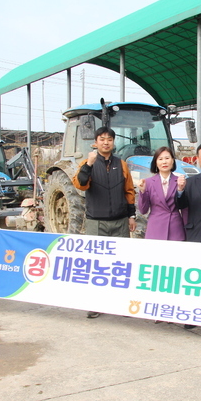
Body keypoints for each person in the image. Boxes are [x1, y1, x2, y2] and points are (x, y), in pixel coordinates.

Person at [73, 126, 136, 318]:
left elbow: (129, 191)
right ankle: (96, 304)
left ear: (113, 142)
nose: (106, 142)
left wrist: (131, 215)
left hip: (119, 221)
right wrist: (89, 165)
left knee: (121, 264)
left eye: (109, 139)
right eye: (102, 139)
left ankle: (121, 303)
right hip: (96, 222)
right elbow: (80, 184)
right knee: (96, 265)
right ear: (95, 142)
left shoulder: (122, 164)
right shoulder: (87, 163)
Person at [138, 146, 186, 241]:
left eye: (167, 158)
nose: (164, 162)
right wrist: (142, 192)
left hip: (175, 228)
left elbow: (185, 209)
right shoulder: (148, 182)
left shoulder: (180, 181)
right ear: (156, 162)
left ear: (172, 161)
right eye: (160, 159)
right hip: (155, 229)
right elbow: (143, 210)